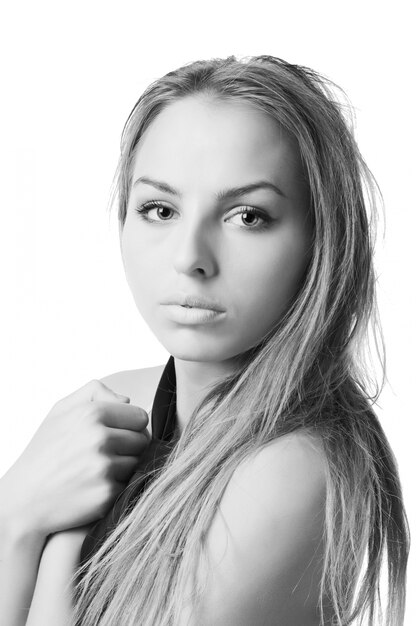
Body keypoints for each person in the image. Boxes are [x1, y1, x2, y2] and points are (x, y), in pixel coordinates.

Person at [0, 55, 409, 626]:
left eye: (248, 216)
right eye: (159, 209)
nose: (190, 256)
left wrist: (46, 531)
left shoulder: (295, 467)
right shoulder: (115, 405)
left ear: (323, 239)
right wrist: (16, 512)